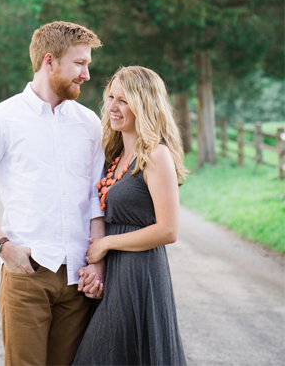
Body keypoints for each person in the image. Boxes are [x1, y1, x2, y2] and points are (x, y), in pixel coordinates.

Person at [0, 21, 108, 366]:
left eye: (88, 64)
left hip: (78, 280)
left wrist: (97, 263)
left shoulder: (89, 124)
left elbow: (96, 199)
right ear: (50, 61)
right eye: (80, 63)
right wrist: (2, 246)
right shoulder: (1, 118)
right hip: (27, 275)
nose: (86, 74)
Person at [73, 66, 188, 365]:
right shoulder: (114, 154)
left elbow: (168, 230)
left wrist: (106, 244)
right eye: (110, 97)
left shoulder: (155, 155)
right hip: (115, 273)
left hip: (140, 274)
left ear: (144, 104)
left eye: (123, 100)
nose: (112, 106)